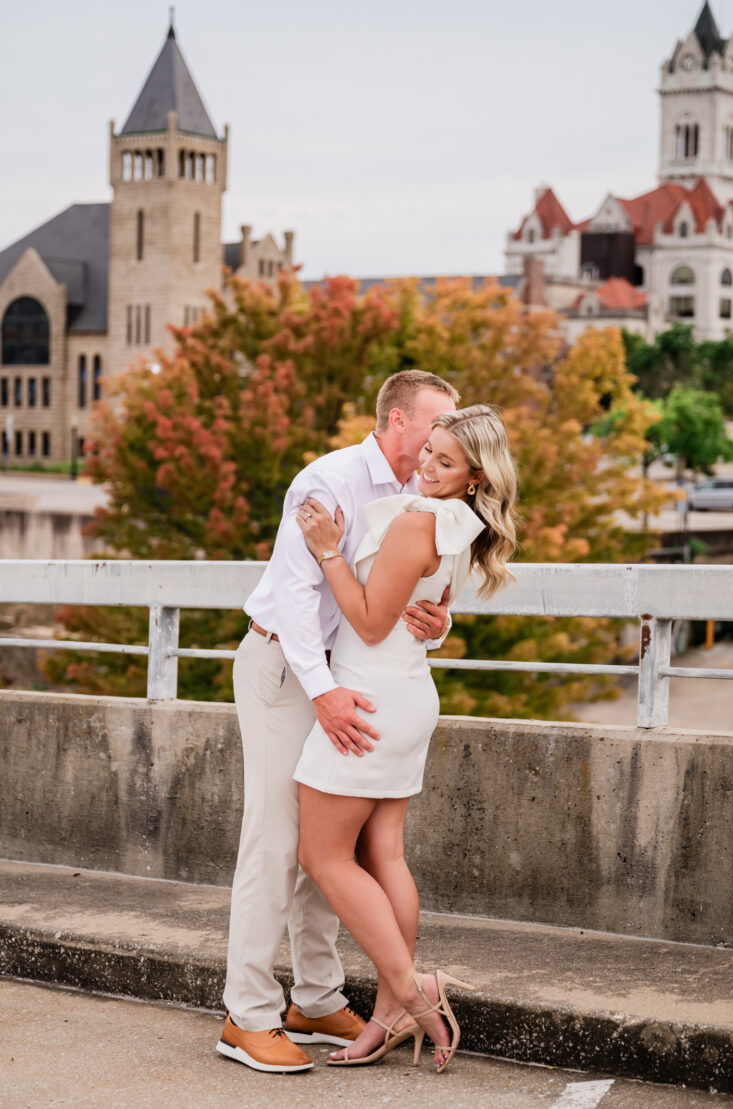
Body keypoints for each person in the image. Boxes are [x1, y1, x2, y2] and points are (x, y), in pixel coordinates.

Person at [218, 370, 460, 1074]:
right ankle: (247, 1014)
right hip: (287, 671)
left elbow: (412, 600)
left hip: (348, 677)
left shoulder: (423, 497)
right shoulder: (326, 481)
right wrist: (322, 691)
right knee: (276, 839)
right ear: (395, 420)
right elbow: (296, 601)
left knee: (338, 844)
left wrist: (438, 624)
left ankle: (317, 997)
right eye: (434, 425)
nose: (441, 441)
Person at [293, 404, 517, 1074]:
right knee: (383, 851)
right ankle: (390, 1012)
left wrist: (328, 548)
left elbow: (364, 621)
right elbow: (419, 612)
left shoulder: (419, 519)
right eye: (427, 452)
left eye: (444, 462)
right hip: (405, 693)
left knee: (323, 854)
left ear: (475, 475)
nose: (425, 466)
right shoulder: (456, 521)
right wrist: (437, 622)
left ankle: (413, 989)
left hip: (369, 699)